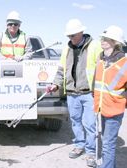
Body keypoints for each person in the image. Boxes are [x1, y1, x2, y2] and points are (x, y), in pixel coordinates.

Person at [46, 19, 102, 167]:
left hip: (89, 93)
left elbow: (102, 69)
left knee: (89, 124)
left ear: (81, 32)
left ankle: (90, 152)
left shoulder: (95, 46)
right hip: (72, 93)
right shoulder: (67, 48)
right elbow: (61, 70)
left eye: (73, 35)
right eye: (69, 36)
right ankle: (79, 145)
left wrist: (99, 90)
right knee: (76, 122)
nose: (70, 38)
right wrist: (55, 84)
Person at [93, 25, 127, 168]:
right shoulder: (101, 59)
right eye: (103, 38)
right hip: (102, 107)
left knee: (108, 144)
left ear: (115, 42)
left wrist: (122, 100)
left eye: (107, 39)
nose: (103, 41)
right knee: (105, 141)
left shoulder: (123, 62)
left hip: (115, 109)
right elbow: (97, 83)